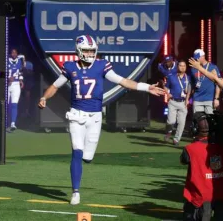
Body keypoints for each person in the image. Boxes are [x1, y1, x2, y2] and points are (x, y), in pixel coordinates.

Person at [38, 35, 165, 205]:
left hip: (95, 117)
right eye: (87, 50)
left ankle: (81, 165)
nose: (90, 54)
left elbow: (123, 81)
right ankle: (75, 191)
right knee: (77, 151)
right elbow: (55, 86)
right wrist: (44, 97)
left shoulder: (101, 65)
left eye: (92, 50)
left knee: (87, 157)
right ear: (79, 51)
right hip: (76, 115)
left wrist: (146, 87)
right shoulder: (70, 67)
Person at [181, 112, 223, 221]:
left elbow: (183, 160)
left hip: (199, 196)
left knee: (190, 203)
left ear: (195, 129)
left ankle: (200, 212)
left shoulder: (190, 149)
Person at [164, 60, 191, 145]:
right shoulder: (171, 77)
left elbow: (189, 89)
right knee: (171, 121)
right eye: (180, 65)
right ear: (177, 67)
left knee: (182, 123)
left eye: (184, 66)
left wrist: (187, 99)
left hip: (183, 103)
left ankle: (176, 139)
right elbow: (165, 87)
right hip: (173, 102)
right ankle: (169, 131)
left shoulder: (188, 77)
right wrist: (168, 94)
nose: (182, 67)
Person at [190, 49, 220, 115]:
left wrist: (216, 98)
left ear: (203, 56)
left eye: (198, 58)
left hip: (209, 99)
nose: (196, 60)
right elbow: (191, 85)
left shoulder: (213, 67)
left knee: (210, 122)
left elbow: (218, 83)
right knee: (198, 122)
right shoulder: (193, 68)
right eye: (195, 58)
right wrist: (189, 98)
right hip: (197, 99)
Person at [7, 48, 25, 132]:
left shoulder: (19, 61)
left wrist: (21, 80)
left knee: (14, 104)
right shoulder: (6, 60)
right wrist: (8, 78)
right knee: (6, 104)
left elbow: (20, 71)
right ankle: (5, 122)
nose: (14, 54)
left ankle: (13, 123)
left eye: (15, 52)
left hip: (16, 84)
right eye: (12, 52)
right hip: (7, 85)